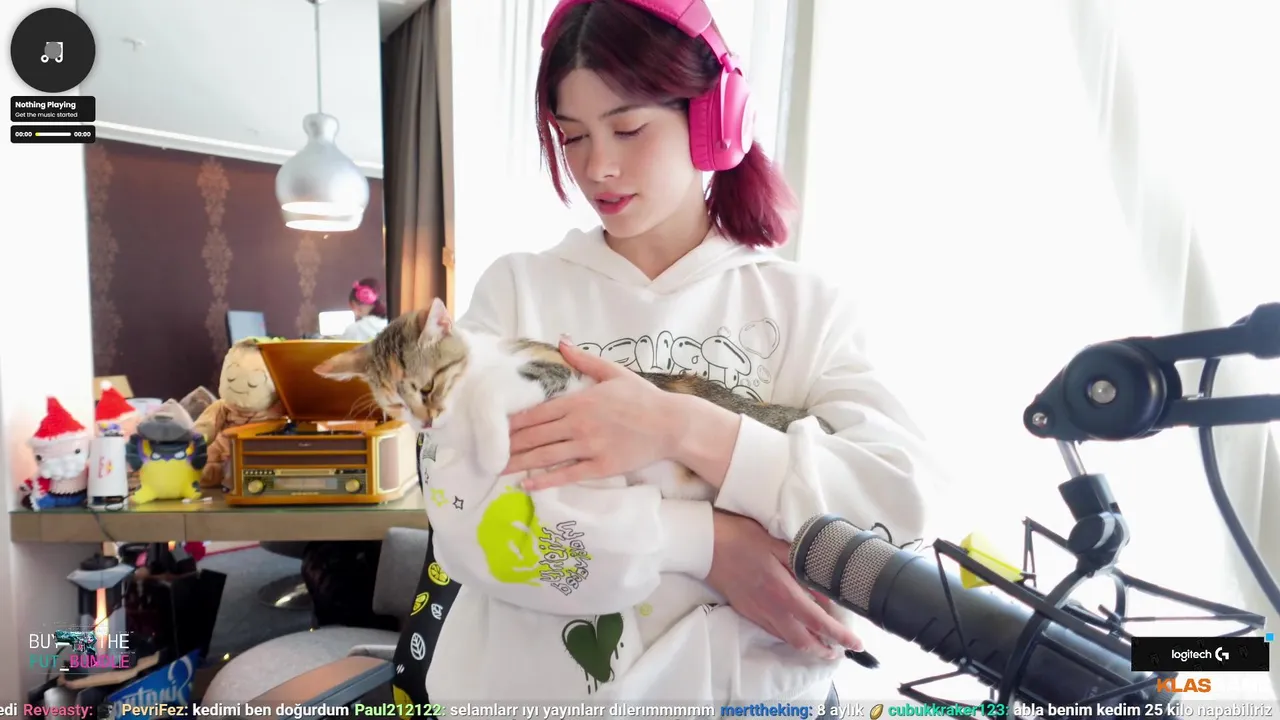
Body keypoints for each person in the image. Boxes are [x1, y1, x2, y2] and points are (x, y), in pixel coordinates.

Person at [428, 0, 937, 710]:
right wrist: (705, 542)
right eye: (573, 137)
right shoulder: (519, 291)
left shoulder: (805, 307)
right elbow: (465, 520)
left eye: (629, 128)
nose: (598, 167)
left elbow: (900, 506)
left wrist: (680, 427)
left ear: (712, 119)